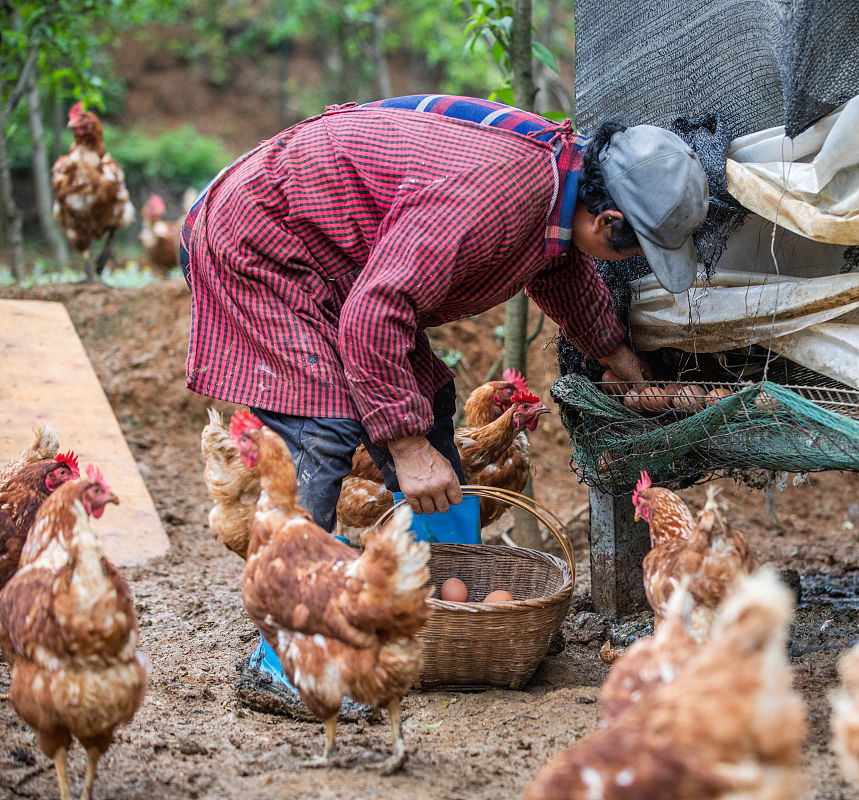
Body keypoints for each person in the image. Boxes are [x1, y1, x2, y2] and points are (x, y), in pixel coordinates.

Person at [180, 94, 709, 715]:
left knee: (429, 395)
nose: (631, 263)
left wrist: (620, 361)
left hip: (329, 254)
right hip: (264, 241)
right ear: (607, 220)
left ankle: (444, 603)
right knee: (320, 434)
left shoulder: (558, 183)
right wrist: (405, 448)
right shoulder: (489, 200)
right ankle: (284, 664)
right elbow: (374, 314)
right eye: (634, 250)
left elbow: (561, 272)